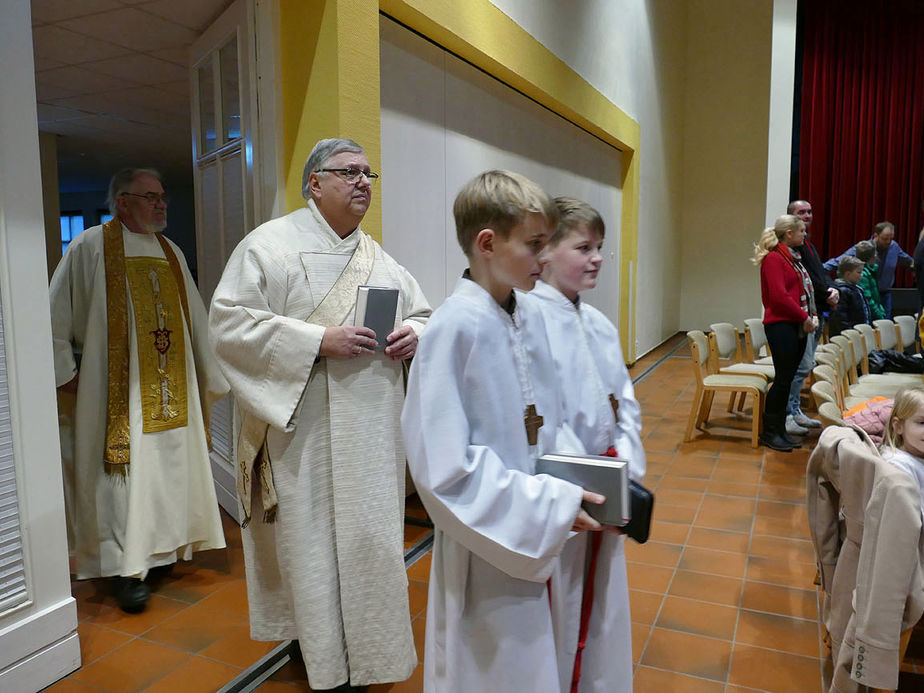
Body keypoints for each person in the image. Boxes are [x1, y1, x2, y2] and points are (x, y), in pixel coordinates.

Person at [209, 138, 430, 692]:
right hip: (300, 433)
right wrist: (316, 339)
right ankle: (319, 653)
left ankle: (372, 653)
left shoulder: (378, 257)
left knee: (369, 543)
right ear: (315, 182)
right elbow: (228, 324)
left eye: (368, 173)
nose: (362, 182)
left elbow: (425, 312)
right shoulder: (269, 246)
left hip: (370, 433)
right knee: (311, 544)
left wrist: (416, 334)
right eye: (349, 172)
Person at [401, 170, 605, 692]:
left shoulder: (527, 315)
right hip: (488, 543)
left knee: (541, 664)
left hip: (539, 532)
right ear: (487, 243)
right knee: (493, 668)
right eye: (535, 244)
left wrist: (578, 482)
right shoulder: (452, 330)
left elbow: (547, 421)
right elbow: (443, 471)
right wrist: (549, 506)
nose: (545, 258)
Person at [49, 168, 229, 613]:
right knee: (121, 480)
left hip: (171, 389)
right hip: (115, 393)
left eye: (162, 197)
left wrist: (209, 372)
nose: (161, 204)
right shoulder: (91, 245)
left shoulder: (170, 250)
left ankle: (160, 553)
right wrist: (64, 371)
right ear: (123, 202)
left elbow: (197, 321)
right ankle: (123, 568)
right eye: (151, 197)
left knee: (165, 473)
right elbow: (54, 314)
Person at [531, 196, 645, 693]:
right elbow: (540, 416)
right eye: (584, 247)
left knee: (601, 607)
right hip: (567, 489)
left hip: (608, 480)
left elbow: (625, 402)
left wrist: (627, 463)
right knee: (562, 604)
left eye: (600, 246)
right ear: (546, 252)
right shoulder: (529, 320)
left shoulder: (598, 322)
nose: (597, 257)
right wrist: (584, 475)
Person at [752, 214, 818, 452]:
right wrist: (804, 317)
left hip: (794, 325)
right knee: (782, 381)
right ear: (789, 234)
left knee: (787, 379)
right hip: (781, 325)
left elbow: (799, 291)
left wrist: (808, 316)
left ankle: (780, 429)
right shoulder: (774, 259)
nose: (805, 234)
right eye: (801, 231)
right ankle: (770, 433)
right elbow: (780, 297)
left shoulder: (792, 259)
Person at [785, 200, 833, 435]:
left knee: (805, 366)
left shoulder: (807, 245)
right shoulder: (787, 252)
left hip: (815, 313)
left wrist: (833, 290)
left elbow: (820, 274)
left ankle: (794, 410)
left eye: (809, 212)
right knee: (799, 368)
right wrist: (826, 294)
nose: (807, 216)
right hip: (802, 318)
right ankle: (789, 413)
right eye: (801, 213)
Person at [824, 221, 913, 317]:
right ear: (876, 235)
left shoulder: (894, 247)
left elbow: (908, 262)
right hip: (867, 292)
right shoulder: (864, 248)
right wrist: (820, 269)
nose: (888, 242)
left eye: (891, 239)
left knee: (886, 323)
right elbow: (839, 260)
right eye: (885, 239)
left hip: (885, 293)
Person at [830, 256, 871, 337]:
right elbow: (840, 318)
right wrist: (849, 334)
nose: (861, 275)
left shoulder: (857, 288)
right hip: (847, 336)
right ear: (848, 274)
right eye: (859, 272)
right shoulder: (841, 291)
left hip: (858, 332)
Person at [855, 240, 887, 320]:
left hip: (874, 314)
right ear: (873, 256)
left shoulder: (871, 271)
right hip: (869, 317)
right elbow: (868, 300)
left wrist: (881, 311)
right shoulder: (863, 274)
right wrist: (879, 316)